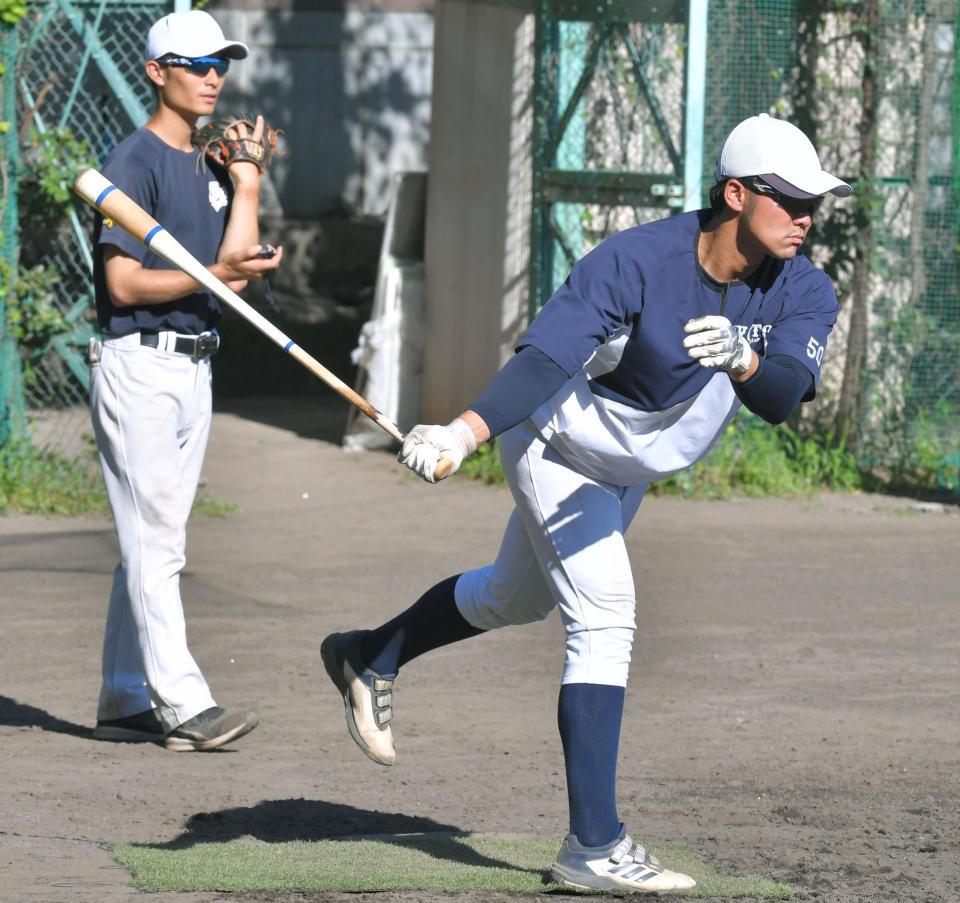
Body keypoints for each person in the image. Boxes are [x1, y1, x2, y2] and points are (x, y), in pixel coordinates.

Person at [321, 113, 851, 892]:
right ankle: (593, 846)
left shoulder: (803, 285)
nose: (806, 216)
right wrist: (464, 433)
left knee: (510, 598)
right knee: (605, 617)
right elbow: (546, 359)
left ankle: (370, 653)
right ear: (736, 194)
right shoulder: (636, 261)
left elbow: (782, 397)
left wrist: (745, 358)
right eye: (791, 199)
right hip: (556, 449)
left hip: (626, 469)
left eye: (816, 202)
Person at [89, 10, 283, 751]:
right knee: (156, 542)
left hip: (196, 364)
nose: (212, 77)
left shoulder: (206, 165)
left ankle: (123, 694)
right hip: (137, 363)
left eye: (221, 64)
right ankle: (183, 703)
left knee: (153, 536)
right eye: (195, 63)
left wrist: (248, 179)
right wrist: (217, 273)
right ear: (155, 72)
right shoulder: (132, 162)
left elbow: (231, 268)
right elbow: (126, 286)